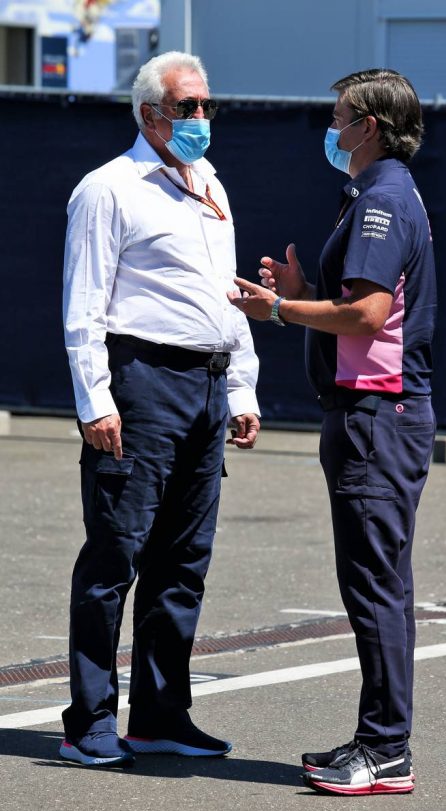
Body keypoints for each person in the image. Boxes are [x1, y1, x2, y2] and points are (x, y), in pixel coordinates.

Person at [228, 68, 436, 796]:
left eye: (340, 116)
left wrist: (280, 311)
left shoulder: (381, 200)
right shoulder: (382, 193)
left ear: (368, 127)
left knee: (374, 589)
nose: (332, 127)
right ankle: (382, 741)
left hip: (375, 419)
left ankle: (385, 750)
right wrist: (304, 295)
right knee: (382, 587)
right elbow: (364, 309)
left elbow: (369, 316)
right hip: (380, 416)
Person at [61, 51, 260, 767]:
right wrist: (96, 401)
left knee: (183, 561)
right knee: (115, 554)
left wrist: (241, 387)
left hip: (206, 382)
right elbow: (84, 305)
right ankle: (88, 719)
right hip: (141, 382)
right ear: (150, 114)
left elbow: (224, 296)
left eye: (207, 104)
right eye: (188, 106)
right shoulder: (108, 189)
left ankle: (159, 713)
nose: (202, 117)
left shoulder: (209, 183)